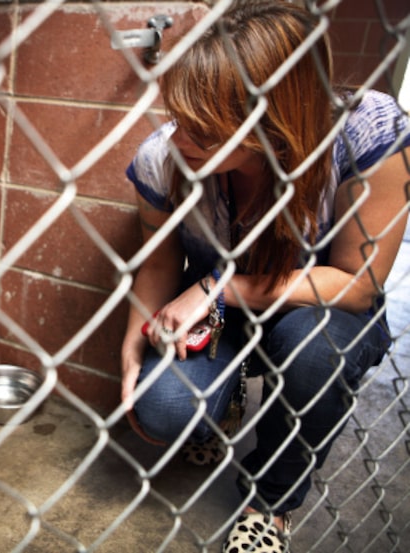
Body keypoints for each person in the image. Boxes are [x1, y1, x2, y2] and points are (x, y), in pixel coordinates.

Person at [121, 1, 410, 551]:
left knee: (313, 351)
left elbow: (358, 283)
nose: (179, 139)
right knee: (162, 409)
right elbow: (157, 260)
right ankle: (222, 403)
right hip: (224, 312)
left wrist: (217, 287)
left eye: (203, 131)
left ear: (271, 124)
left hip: (320, 306)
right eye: (180, 117)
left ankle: (271, 501)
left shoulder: (365, 132)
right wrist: (132, 349)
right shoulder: (162, 156)